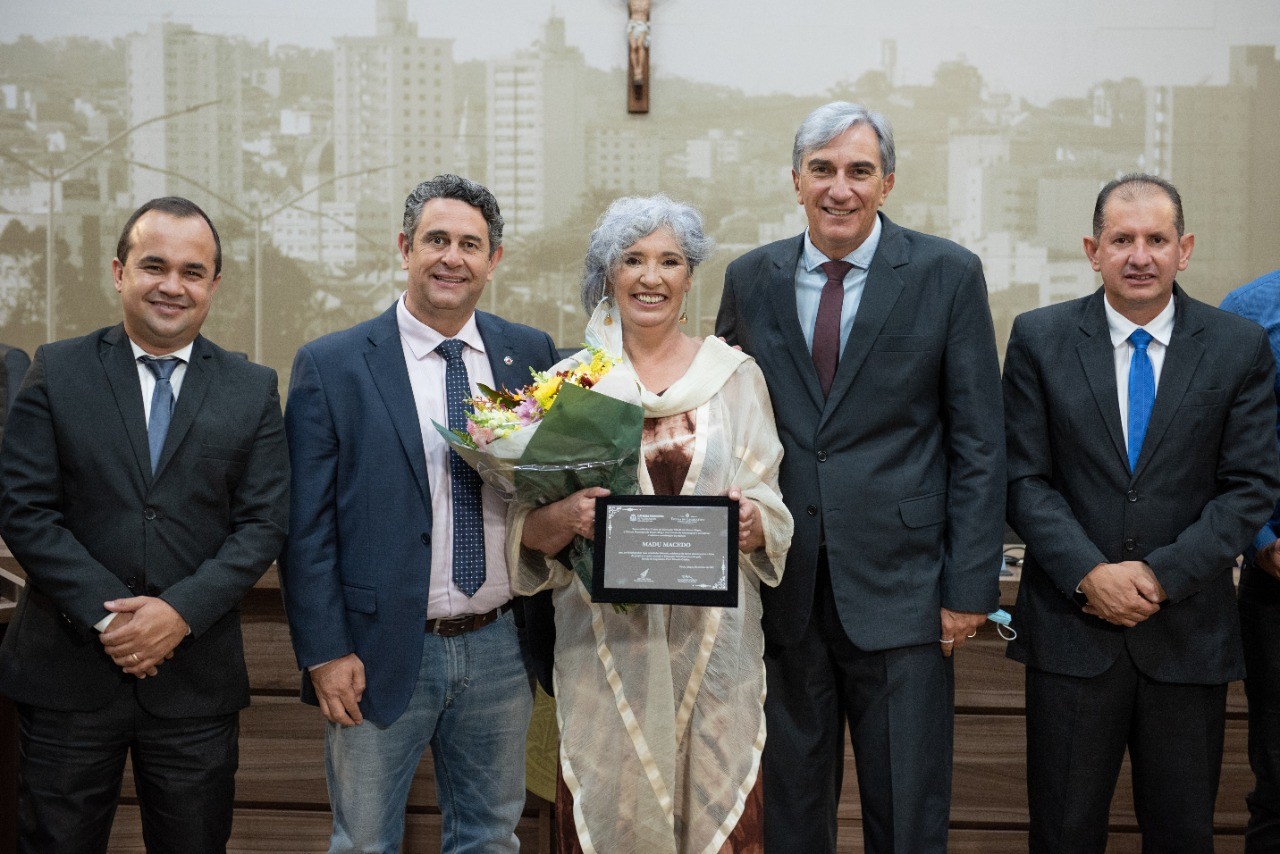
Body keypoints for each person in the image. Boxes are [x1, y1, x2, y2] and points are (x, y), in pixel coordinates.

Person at [715, 101, 1005, 853]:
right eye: (822, 170)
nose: (839, 188)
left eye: (858, 171)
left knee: (907, 816)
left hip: (906, 596)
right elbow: (720, 421)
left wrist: (967, 589)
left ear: (888, 182)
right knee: (791, 816)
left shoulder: (947, 274)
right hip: (784, 589)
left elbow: (979, 441)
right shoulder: (752, 279)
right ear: (796, 181)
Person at [0, 196, 290, 852]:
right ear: (119, 272)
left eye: (193, 271)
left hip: (195, 682)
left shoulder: (250, 387)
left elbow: (264, 523)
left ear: (214, 286)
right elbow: (25, 508)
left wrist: (177, 614)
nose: (172, 285)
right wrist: (115, 618)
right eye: (154, 265)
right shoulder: (58, 369)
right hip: (67, 674)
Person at [280, 174, 558, 853]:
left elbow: (552, 487)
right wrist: (325, 652)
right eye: (436, 240)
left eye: (471, 244)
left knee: (490, 838)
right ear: (405, 248)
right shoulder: (333, 365)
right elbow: (304, 528)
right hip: (375, 651)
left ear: (495, 260)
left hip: (500, 646)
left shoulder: (532, 356)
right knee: (365, 841)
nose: (451, 258)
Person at [1003, 175, 1280, 853]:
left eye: (1156, 239)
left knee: (1183, 836)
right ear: (1092, 250)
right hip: (1073, 632)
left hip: (1186, 635)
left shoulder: (1236, 345)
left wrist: (1158, 576)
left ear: (1183, 250)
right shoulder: (1039, 338)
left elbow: (1248, 486)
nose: (1139, 255)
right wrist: (1089, 573)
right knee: (1063, 834)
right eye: (1122, 239)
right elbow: (1023, 477)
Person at [509, 194, 792, 853]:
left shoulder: (737, 379)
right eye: (633, 259)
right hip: (603, 659)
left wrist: (754, 523)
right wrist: (563, 516)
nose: (651, 276)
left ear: (691, 277)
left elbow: (770, 504)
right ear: (608, 274)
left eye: (670, 260)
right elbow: (528, 527)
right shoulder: (569, 384)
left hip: (714, 665)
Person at [1220, 269, 1280, 853]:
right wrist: (1261, 541)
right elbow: (1223, 446)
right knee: (1279, 787)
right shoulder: (1253, 309)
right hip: (1277, 584)